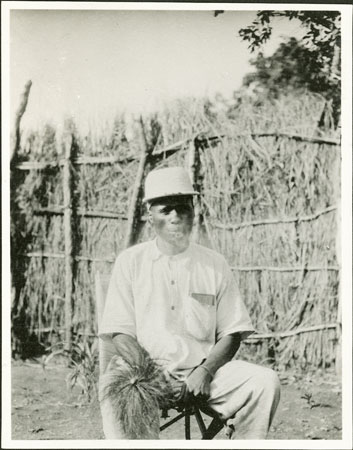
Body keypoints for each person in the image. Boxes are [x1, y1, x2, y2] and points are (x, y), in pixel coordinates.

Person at [98, 166, 280, 439]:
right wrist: (150, 373)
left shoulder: (213, 264)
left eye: (183, 208)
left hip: (204, 375)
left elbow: (232, 333)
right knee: (113, 387)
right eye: (166, 210)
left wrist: (205, 371)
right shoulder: (131, 262)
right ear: (150, 217)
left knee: (265, 382)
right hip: (144, 371)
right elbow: (121, 334)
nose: (175, 218)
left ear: (194, 213)